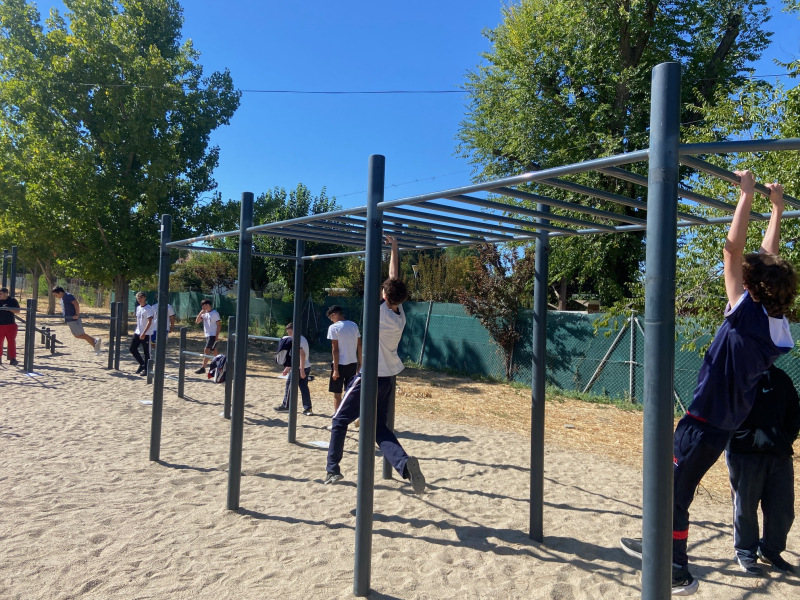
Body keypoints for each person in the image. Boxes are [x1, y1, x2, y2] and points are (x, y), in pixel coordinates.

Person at [621, 171, 798, 595]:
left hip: (703, 423)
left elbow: (732, 249)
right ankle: (659, 541)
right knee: (673, 488)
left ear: (752, 287)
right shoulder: (776, 326)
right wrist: (776, 208)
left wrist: (746, 195)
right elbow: (767, 256)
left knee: (675, 493)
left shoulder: (744, 312)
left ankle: (676, 568)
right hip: (720, 422)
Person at [324, 235, 426, 494]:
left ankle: (332, 469)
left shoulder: (378, 312)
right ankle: (404, 465)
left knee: (339, 420)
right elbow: (393, 279)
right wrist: (394, 247)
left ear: (384, 295)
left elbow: (389, 282)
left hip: (369, 376)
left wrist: (380, 248)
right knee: (379, 427)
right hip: (388, 378)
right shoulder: (399, 314)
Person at [726, 365, 800, 575]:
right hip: (744, 454)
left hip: (779, 454)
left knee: (782, 509)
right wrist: (744, 438)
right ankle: (745, 553)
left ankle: (770, 550)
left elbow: (794, 412)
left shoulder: (781, 378)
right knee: (745, 506)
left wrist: (784, 439)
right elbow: (724, 413)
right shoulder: (738, 377)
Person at [326, 305, 362, 414]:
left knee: (337, 394)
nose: (331, 320)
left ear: (334, 315)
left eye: (331, 318)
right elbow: (359, 345)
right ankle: (349, 414)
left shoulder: (334, 327)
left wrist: (335, 369)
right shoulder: (353, 325)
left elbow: (335, 349)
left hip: (340, 364)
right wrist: (360, 363)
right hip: (352, 363)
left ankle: (337, 414)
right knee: (349, 392)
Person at [274, 322, 313, 416]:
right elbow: (296, 357)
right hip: (305, 366)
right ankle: (308, 408)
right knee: (304, 388)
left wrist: (302, 370)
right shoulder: (302, 338)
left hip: (299, 368)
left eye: (290, 332)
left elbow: (302, 355)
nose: (289, 335)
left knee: (289, 386)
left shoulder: (296, 340)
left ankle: (286, 406)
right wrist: (288, 368)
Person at [51, 286, 102, 353]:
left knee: (80, 335)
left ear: (60, 292)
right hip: (69, 319)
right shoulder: (62, 298)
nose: (56, 297)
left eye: (56, 295)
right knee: (78, 335)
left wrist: (77, 314)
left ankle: (95, 342)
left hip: (73, 319)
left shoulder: (68, 296)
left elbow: (76, 304)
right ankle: (95, 345)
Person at [130, 292, 154, 375]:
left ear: (145, 298)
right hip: (138, 332)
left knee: (146, 352)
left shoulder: (149, 308)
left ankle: (147, 370)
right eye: (138, 297)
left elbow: (149, 321)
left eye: (141, 297)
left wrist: (144, 332)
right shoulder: (138, 308)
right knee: (132, 348)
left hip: (146, 333)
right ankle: (142, 364)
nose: (139, 299)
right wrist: (139, 331)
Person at [194, 299, 221, 374]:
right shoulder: (204, 313)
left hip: (212, 334)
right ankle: (219, 365)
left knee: (206, 349)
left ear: (208, 305)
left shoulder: (214, 313)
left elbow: (219, 325)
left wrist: (217, 335)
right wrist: (201, 313)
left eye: (204, 305)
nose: (203, 307)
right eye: (202, 305)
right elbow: (197, 321)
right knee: (214, 350)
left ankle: (203, 367)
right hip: (207, 334)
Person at [0, 287, 21, 366]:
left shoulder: (12, 300)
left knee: (11, 342)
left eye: (1, 294)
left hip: (11, 325)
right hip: (0, 325)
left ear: (6, 293)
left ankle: (13, 358)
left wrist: (9, 309)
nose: (0, 295)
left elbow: (18, 311)